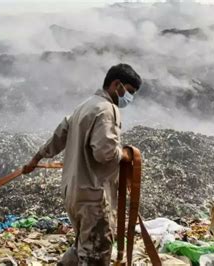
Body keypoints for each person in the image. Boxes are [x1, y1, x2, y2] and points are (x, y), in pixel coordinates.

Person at [22, 63, 142, 265]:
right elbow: (104, 153)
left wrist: (36, 159)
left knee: (83, 246)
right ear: (117, 85)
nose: (129, 98)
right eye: (129, 91)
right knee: (97, 251)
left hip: (72, 193)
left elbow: (58, 136)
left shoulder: (84, 106)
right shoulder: (107, 109)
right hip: (93, 196)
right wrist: (125, 155)